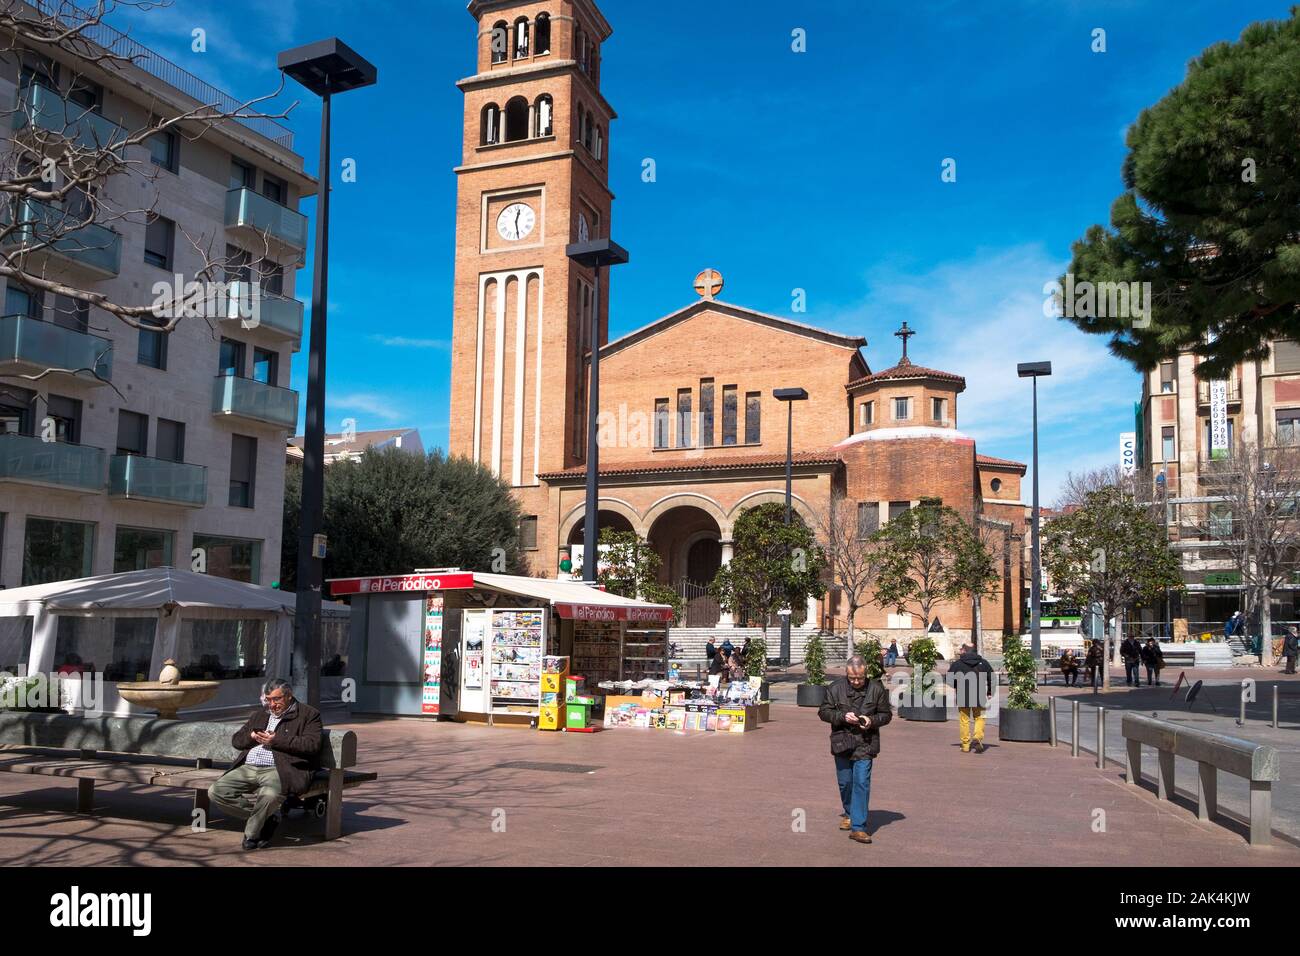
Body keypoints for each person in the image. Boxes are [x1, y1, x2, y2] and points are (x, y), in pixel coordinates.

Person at [207, 678, 322, 851]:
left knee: (269, 796)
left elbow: (312, 745)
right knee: (216, 792)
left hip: (281, 768)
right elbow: (237, 741)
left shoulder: (308, 714)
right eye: (268, 699)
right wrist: (251, 737)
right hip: (249, 766)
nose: (272, 704)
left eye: (276, 699)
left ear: (289, 696)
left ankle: (252, 834)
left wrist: (277, 740)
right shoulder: (260, 715)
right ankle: (268, 819)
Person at [818, 655, 892, 845]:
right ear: (847, 674)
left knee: (861, 782)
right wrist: (842, 716)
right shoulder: (835, 688)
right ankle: (850, 813)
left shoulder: (876, 688)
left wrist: (872, 721)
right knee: (845, 783)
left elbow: (886, 714)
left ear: (865, 673)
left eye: (860, 677)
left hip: (865, 743)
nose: (857, 681)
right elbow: (823, 712)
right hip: (842, 742)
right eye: (852, 678)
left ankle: (859, 828)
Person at [947, 643, 995, 754]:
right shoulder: (983, 662)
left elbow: (949, 679)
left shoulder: (957, 664)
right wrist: (989, 692)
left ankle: (965, 746)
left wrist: (956, 685)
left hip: (963, 695)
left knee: (964, 720)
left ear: (964, 650)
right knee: (980, 717)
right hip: (979, 694)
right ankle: (977, 737)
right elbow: (991, 677)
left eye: (961, 649)